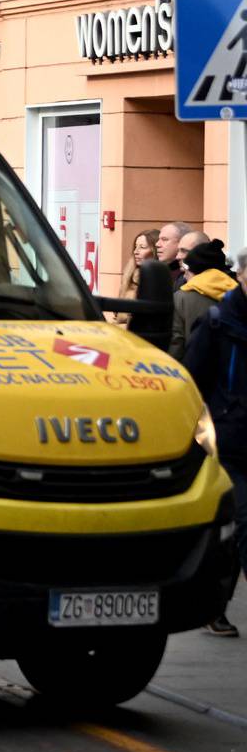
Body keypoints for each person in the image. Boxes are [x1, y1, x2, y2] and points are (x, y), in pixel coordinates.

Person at [183, 283, 247, 636]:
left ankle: (216, 607)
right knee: (244, 520)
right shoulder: (217, 322)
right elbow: (193, 381)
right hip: (230, 442)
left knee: (237, 529)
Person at [172, 234, 237, 360]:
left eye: (186, 268)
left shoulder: (181, 298)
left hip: (195, 372)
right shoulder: (238, 292)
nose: (184, 274)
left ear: (195, 269)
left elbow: (176, 344)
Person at [114, 228, 161, 326]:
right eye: (135, 247)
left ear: (155, 250)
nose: (136, 251)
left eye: (142, 247)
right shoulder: (128, 279)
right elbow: (117, 315)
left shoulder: (160, 281)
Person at [158, 221, 193, 287]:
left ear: (182, 242)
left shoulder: (190, 275)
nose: (157, 244)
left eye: (164, 239)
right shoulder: (158, 272)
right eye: (158, 239)